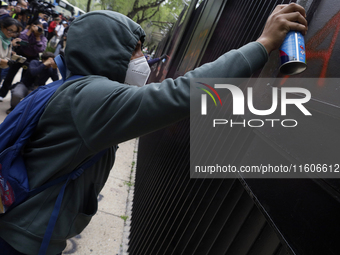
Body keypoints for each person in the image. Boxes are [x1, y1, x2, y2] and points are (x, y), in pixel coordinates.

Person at [0, 3, 307, 255]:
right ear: (107, 51)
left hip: (21, 226)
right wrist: (262, 45)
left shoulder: (73, 89)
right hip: (24, 241)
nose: (142, 60)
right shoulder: (91, 99)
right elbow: (181, 94)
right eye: (134, 51)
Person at [0, 18, 47, 101]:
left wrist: (37, 37)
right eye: (37, 27)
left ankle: (17, 97)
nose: (38, 29)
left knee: (25, 79)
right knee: (9, 76)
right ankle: (2, 94)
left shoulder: (42, 38)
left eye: (41, 28)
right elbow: (21, 38)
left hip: (31, 59)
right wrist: (29, 31)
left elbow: (40, 49)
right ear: (33, 26)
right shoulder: (26, 32)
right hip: (20, 55)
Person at [0, 17, 22, 102]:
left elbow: (5, 56)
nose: (11, 34)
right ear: (2, 26)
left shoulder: (7, 40)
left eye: (14, 32)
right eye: (10, 30)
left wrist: (10, 59)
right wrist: (3, 61)